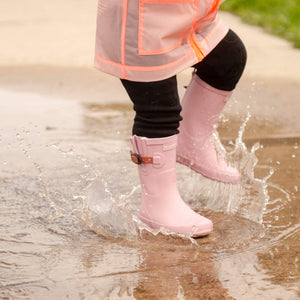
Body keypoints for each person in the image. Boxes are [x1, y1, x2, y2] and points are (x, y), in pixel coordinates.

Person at [94, 0, 247, 237]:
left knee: (228, 57)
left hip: (189, 12)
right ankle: (158, 206)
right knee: (158, 109)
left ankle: (190, 141)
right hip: (144, 20)